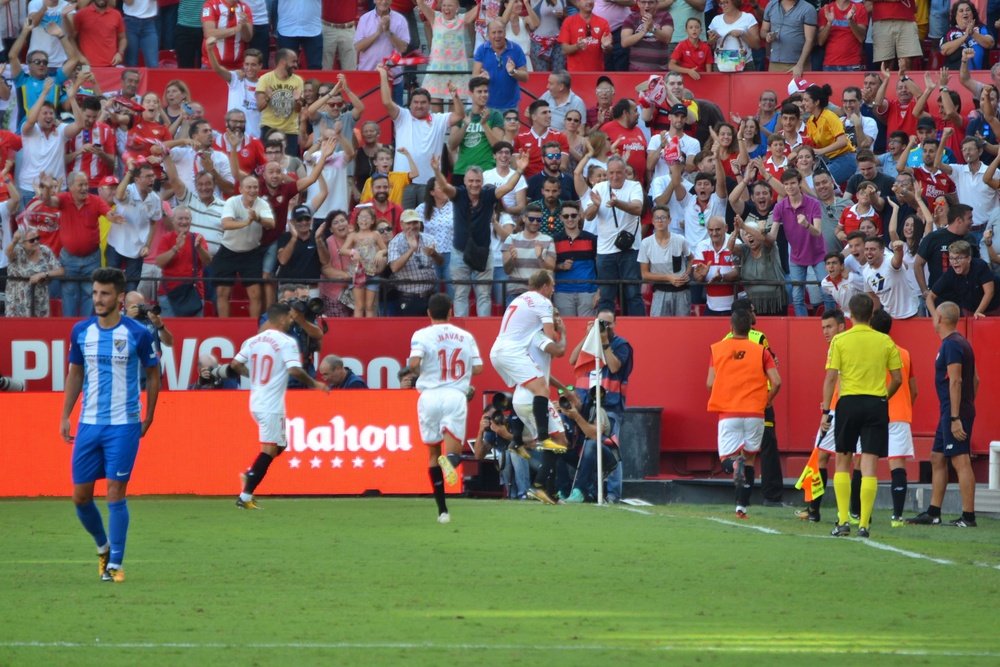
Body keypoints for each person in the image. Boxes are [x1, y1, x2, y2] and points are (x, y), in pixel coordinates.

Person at [61, 267, 161, 583]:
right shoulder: (81, 331)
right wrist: (65, 414)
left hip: (124, 424)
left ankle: (116, 563)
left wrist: (149, 415)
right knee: (80, 496)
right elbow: (75, 373)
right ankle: (103, 547)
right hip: (89, 424)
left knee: (115, 492)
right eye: (94, 293)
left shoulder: (138, 333)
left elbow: (154, 374)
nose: (98, 299)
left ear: (119, 298)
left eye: (104, 294)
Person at [227, 302, 328, 510]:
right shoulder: (286, 342)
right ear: (281, 319)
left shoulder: (252, 341)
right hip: (271, 405)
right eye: (290, 318)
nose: (292, 321)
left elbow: (235, 365)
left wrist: (253, 376)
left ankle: (250, 475)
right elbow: (295, 371)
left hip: (256, 402)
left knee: (280, 446)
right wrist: (315, 383)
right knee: (270, 449)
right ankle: (245, 496)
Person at [820, 293, 902, 539]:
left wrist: (826, 410)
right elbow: (897, 378)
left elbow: (831, 377)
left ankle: (843, 520)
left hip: (848, 402)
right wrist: (883, 398)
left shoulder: (840, 341)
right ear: (871, 315)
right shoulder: (886, 341)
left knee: (843, 461)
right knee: (869, 465)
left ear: (850, 314)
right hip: (876, 403)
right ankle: (864, 524)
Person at [489, 270, 567, 498]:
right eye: (552, 286)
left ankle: (517, 443)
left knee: (534, 387)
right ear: (544, 286)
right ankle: (540, 444)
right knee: (542, 389)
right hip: (510, 353)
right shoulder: (542, 303)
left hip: (499, 350)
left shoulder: (519, 299)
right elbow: (553, 340)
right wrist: (561, 329)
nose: (553, 291)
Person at [407, 293, 484, 523]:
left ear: (428, 313)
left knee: (432, 452)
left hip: (429, 395)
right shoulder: (465, 336)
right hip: (454, 395)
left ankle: (442, 510)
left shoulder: (421, 335)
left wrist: (425, 372)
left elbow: (413, 364)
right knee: (454, 453)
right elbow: (478, 368)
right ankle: (450, 461)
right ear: (451, 311)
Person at [907, 301, 979, 527]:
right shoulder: (961, 343)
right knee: (937, 457)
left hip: (953, 412)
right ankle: (933, 512)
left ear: (940, 319)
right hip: (953, 410)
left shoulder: (952, 345)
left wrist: (957, 417)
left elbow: (956, 380)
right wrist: (964, 407)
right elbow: (976, 380)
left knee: (960, 460)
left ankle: (968, 516)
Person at [707, 308, 782, 519]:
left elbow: (710, 383)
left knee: (727, 461)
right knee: (750, 459)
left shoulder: (718, 349)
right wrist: (767, 400)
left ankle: (734, 466)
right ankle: (742, 508)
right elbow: (776, 381)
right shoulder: (761, 350)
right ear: (750, 328)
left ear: (731, 327)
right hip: (755, 413)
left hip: (729, 413)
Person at [433, 152, 526, 317]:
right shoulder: (459, 194)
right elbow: (445, 187)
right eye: (471, 181)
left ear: (482, 182)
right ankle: (462, 330)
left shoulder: (488, 195)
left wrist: (518, 170)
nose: (474, 184)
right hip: (459, 251)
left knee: (483, 294)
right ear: (465, 181)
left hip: (483, 251)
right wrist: (436, 171)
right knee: (460, 294)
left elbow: (508, 187)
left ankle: (483, 329)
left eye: (477, 181)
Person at [868, 309, 917, 528]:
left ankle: (859, 514)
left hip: (872, 413)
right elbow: (914, 390)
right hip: (899, 414)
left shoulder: (868, 352)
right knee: (897, 465)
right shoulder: (904, 353)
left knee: (864, 463)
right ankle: (897, 517)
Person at [798, 308, 847, 523]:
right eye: (823, 328)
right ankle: (852, 512)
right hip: (849, 407)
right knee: (851, 460)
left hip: (836, 411)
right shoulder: (850, 344)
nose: (825, 332)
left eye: (829, 327)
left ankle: (814, 510)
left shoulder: (838, 345)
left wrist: (826, 409)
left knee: (822, 457)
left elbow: (831, 378)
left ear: (841, 326)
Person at [584, 155, 645, 316]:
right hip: (605, 251)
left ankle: (638, 333)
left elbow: (638, 209)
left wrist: (617, 203)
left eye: (619, 172)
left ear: (625, 172)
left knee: (633, 294)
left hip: (630, 249)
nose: (615, 176)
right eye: (611, 173)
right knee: (606, 296)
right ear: (607, 172)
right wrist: (596, 206)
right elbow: (588, 216)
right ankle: (605, 333)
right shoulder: (599, 188)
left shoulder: (634, 186)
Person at [639, 205, 693, 317]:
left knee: (682, 329)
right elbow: (645, 274)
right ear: (652, 221)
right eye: (657, 218)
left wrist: (687, 273)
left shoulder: (679, 240)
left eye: (663, 217)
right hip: (660, 291)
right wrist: (668, 277)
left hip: (681, 292)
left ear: (669, 220)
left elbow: (691, 258)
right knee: (658, 329)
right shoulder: (646, 243)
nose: (660, 221)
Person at [387, 208, 443, 315]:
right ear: (402, 224)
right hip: (408, 297)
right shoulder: (395, 242)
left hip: (430, 295)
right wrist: (411, 249)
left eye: (415, 222)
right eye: (409, 223)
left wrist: (434, 254)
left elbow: (441, 262)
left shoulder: (429, 239)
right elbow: (394, 267)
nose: (412, 226)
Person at [926, 240, 1000, 317]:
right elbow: (930, 297)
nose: (954, 262)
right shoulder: (950, 273)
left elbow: (989, 292)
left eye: (958, 258)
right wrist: (935, 316)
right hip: (969, 309)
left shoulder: (980, 266)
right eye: (951, 258)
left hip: (993, 308)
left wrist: (978, 312)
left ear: (968, 259)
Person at [5, 223, 64, 318]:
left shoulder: (45, 251)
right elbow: (8, 253)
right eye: (32, 240)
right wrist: (14, 241)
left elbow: (61, 271)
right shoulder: (18, 251)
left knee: (40, 330)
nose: (36, 242)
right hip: (18, 302)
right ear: (22, 243)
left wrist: (43, 274)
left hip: (40, 301)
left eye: (38, 238)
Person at [553, 201, 598, 316]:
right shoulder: (554, 240)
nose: (570, 219)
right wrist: (561, 266)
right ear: (560, 218)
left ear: (579, 216)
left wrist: (599, 291)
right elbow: (547, 266)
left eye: (573, 215)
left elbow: (601, 267)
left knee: (588, 330)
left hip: (588, 292)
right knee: (568, 331)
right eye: (566, 216)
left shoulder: (592, 239)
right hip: (563, 292)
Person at [256, 49, 304, 156]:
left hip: (290, 130)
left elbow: (298, 110)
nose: (296, 65)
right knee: (268, 160)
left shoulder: (298, 80)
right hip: (269, 128)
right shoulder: (265, 79)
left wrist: (297, 101)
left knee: (290, 164)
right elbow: (259, 107)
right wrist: (268, 97)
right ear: (283, 62)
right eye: (293, 61)